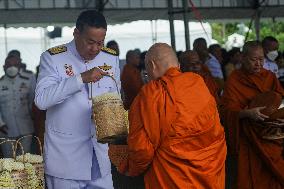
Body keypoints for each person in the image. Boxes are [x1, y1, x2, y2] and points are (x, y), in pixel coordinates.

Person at [119, 43, 227, 189]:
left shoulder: (151, 93)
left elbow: (141, 149)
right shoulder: (198, 83)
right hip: (209, 171)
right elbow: (216, 132)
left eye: (147, 71)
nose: (148, 75)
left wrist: (128, 166)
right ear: (177, 64)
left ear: (152, 65)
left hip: (173, 178)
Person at [35, 10, 120, 189]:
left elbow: (116, 96)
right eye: (90, 42)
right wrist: (80, 78)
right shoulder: (53, 58)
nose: (95, 48)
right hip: (66, 162)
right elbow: (41, 100)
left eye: (100, 42)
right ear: (76, 33)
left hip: (99, 157)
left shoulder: (110, 58)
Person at [220, 41, 284, 189]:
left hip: (270, 135)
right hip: (249, 138)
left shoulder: (269, 77)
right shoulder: (234, 80)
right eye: (253, 59)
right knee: (250, 178)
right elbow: (226, 112)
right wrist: (247, 113)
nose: (258, 64)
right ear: (243, 58)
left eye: (261, 59)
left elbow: (280, 99)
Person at [0, 55, 35, 157]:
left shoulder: (28, 80)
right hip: (6, 128)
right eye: (9, 65)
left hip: (26, 127)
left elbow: (33, 102)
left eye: (15, 65)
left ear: (20, 67)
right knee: (8, 160)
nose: (12, 67)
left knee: (24, 158)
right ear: (3, 67)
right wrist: (0, 124)